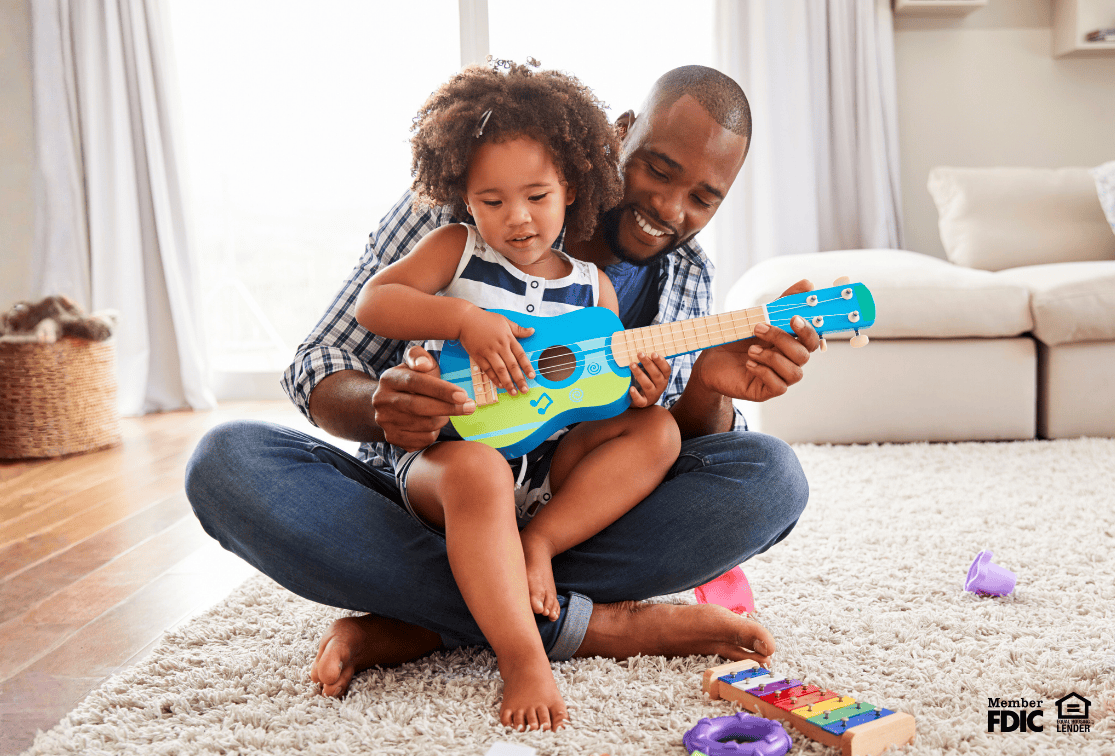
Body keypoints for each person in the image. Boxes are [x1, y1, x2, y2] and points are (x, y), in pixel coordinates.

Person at [185, 63, 819, 735]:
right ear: (620, 134)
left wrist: (706, 388)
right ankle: (592, 625)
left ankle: (429, 620)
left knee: (769, 478)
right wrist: (382, 405)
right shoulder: (462, 206)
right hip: (432, 490)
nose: (671, 209)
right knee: (228, 463)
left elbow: (674, 452)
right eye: (658, 171)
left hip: (563, 513)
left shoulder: (680, 274)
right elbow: (320, 362)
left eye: (703, 197)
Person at [353, 62, 682, 729]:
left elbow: (594, 395)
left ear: (573, 186)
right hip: (452, 465)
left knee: (660, 435)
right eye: (492, 200)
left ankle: (537, 548)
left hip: (544, 476)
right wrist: (461, 321)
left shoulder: (594, 288)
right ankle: (523, 654)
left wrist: (640, 394)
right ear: (464, 198)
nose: (517, 218)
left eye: (536, 195)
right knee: (477, 472)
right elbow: (375, 303)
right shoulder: (457, 249)